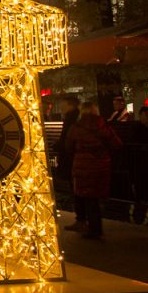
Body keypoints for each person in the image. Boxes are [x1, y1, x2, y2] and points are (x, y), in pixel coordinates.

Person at [66, 101, 122, 239]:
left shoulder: (76, 127)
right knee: (94, 198)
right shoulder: (103, 126)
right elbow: (117, 144)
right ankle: (95, 227)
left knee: (84, 196)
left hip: (82, 166)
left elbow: (68, 146)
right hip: (101, 165)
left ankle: (90, 226)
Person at [55, 95, 82, 230]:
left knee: (77, 189)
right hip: (73, 159)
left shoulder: (72, 119)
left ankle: (82, 219)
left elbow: (68, 139)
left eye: (63, 103)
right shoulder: (74, 118)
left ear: (70, 104)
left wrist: (59, 146)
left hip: (71, 159)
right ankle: (83, 219)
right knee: (78, 189)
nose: (61, 106)